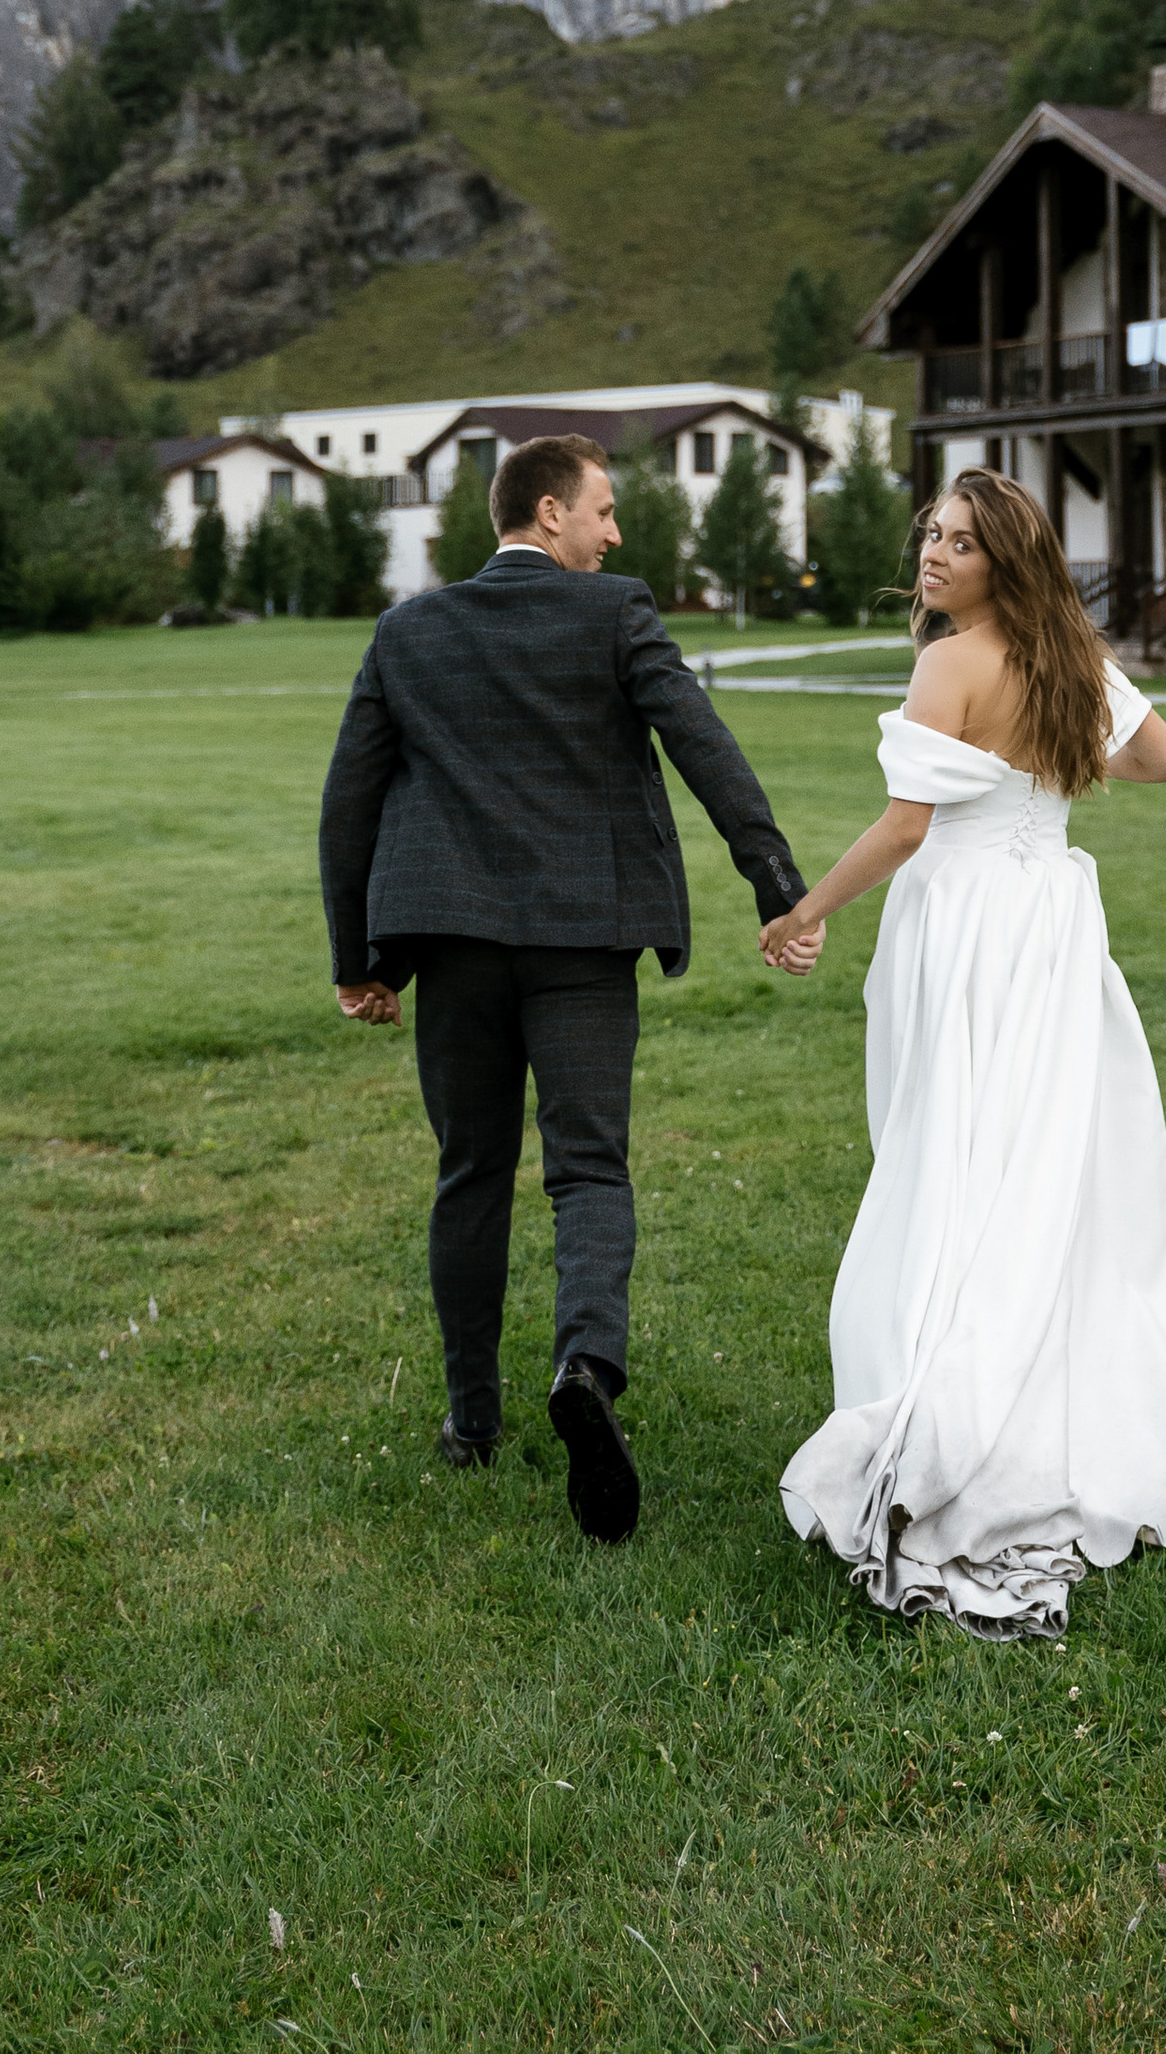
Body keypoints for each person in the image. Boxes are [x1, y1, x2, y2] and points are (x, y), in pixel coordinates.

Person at [319, 432, 807, 1546]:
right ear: (548, 514)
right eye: (603, 512)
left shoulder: (408, 631)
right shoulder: (617, 611)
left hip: (451, 945)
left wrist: (359, 959)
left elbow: (350, 800)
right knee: (588, 1168)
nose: (616, 533)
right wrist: (771, 878)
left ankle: (471, 1421)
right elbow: (700, 740)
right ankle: (585, 1367)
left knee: (471, 1170)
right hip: (585, 941)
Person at [762, 466, 1166, 1639]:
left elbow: (907, 826)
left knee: (951, 1152)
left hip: (966, 924)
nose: (932, 556)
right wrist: (1059, 766)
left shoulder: (951, 660)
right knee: (1042, 1157)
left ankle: (956, 1404)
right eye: (930, 535)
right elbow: (1163, 759)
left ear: (1001, 560)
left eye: (958, 545)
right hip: (1055, 924)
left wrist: (804, 910)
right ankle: (1062, 1396)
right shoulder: (1071, 656)